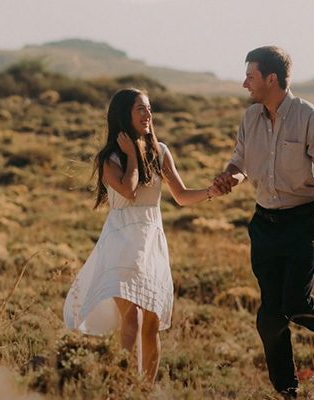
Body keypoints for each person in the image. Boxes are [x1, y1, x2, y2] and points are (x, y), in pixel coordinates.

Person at [213, 46, 314, 398]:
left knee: (295, 303)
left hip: (302, 222)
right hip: (264, 225)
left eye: (251, 76)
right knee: (270, 316)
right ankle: (288, 391)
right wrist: (230, 176)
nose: (245, 83)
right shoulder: (250, 118)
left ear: (271, 79)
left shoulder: (311, 118)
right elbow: (240, 162)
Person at [64, 88, 221, 383]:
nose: (148, 114)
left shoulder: (160, 151)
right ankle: (122, 386)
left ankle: (144, 389)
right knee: (132, 318)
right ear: (125, 114)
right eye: (140, 109)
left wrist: (211, 192)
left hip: (151, 242)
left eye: (149, 108)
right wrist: (132, 156)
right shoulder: (109, 158)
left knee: (151, 323)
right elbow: (130, 191)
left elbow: (182, 196)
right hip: (121, 243)